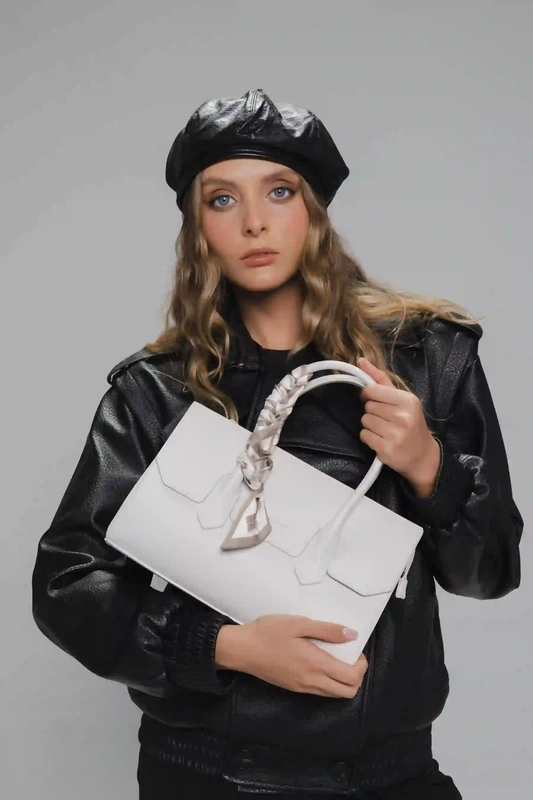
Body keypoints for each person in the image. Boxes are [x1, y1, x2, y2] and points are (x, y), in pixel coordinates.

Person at [32, 89, 523, 799]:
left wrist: (428, 467)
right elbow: (66, 583)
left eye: (280, 191)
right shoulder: (158, 390)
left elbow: (491, 573)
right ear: (197, 228)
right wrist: (226, 647)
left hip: (386, 777)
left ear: (314, 210)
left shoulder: (427, 358)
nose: (254, 222)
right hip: (207, 776)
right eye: (222, 200)